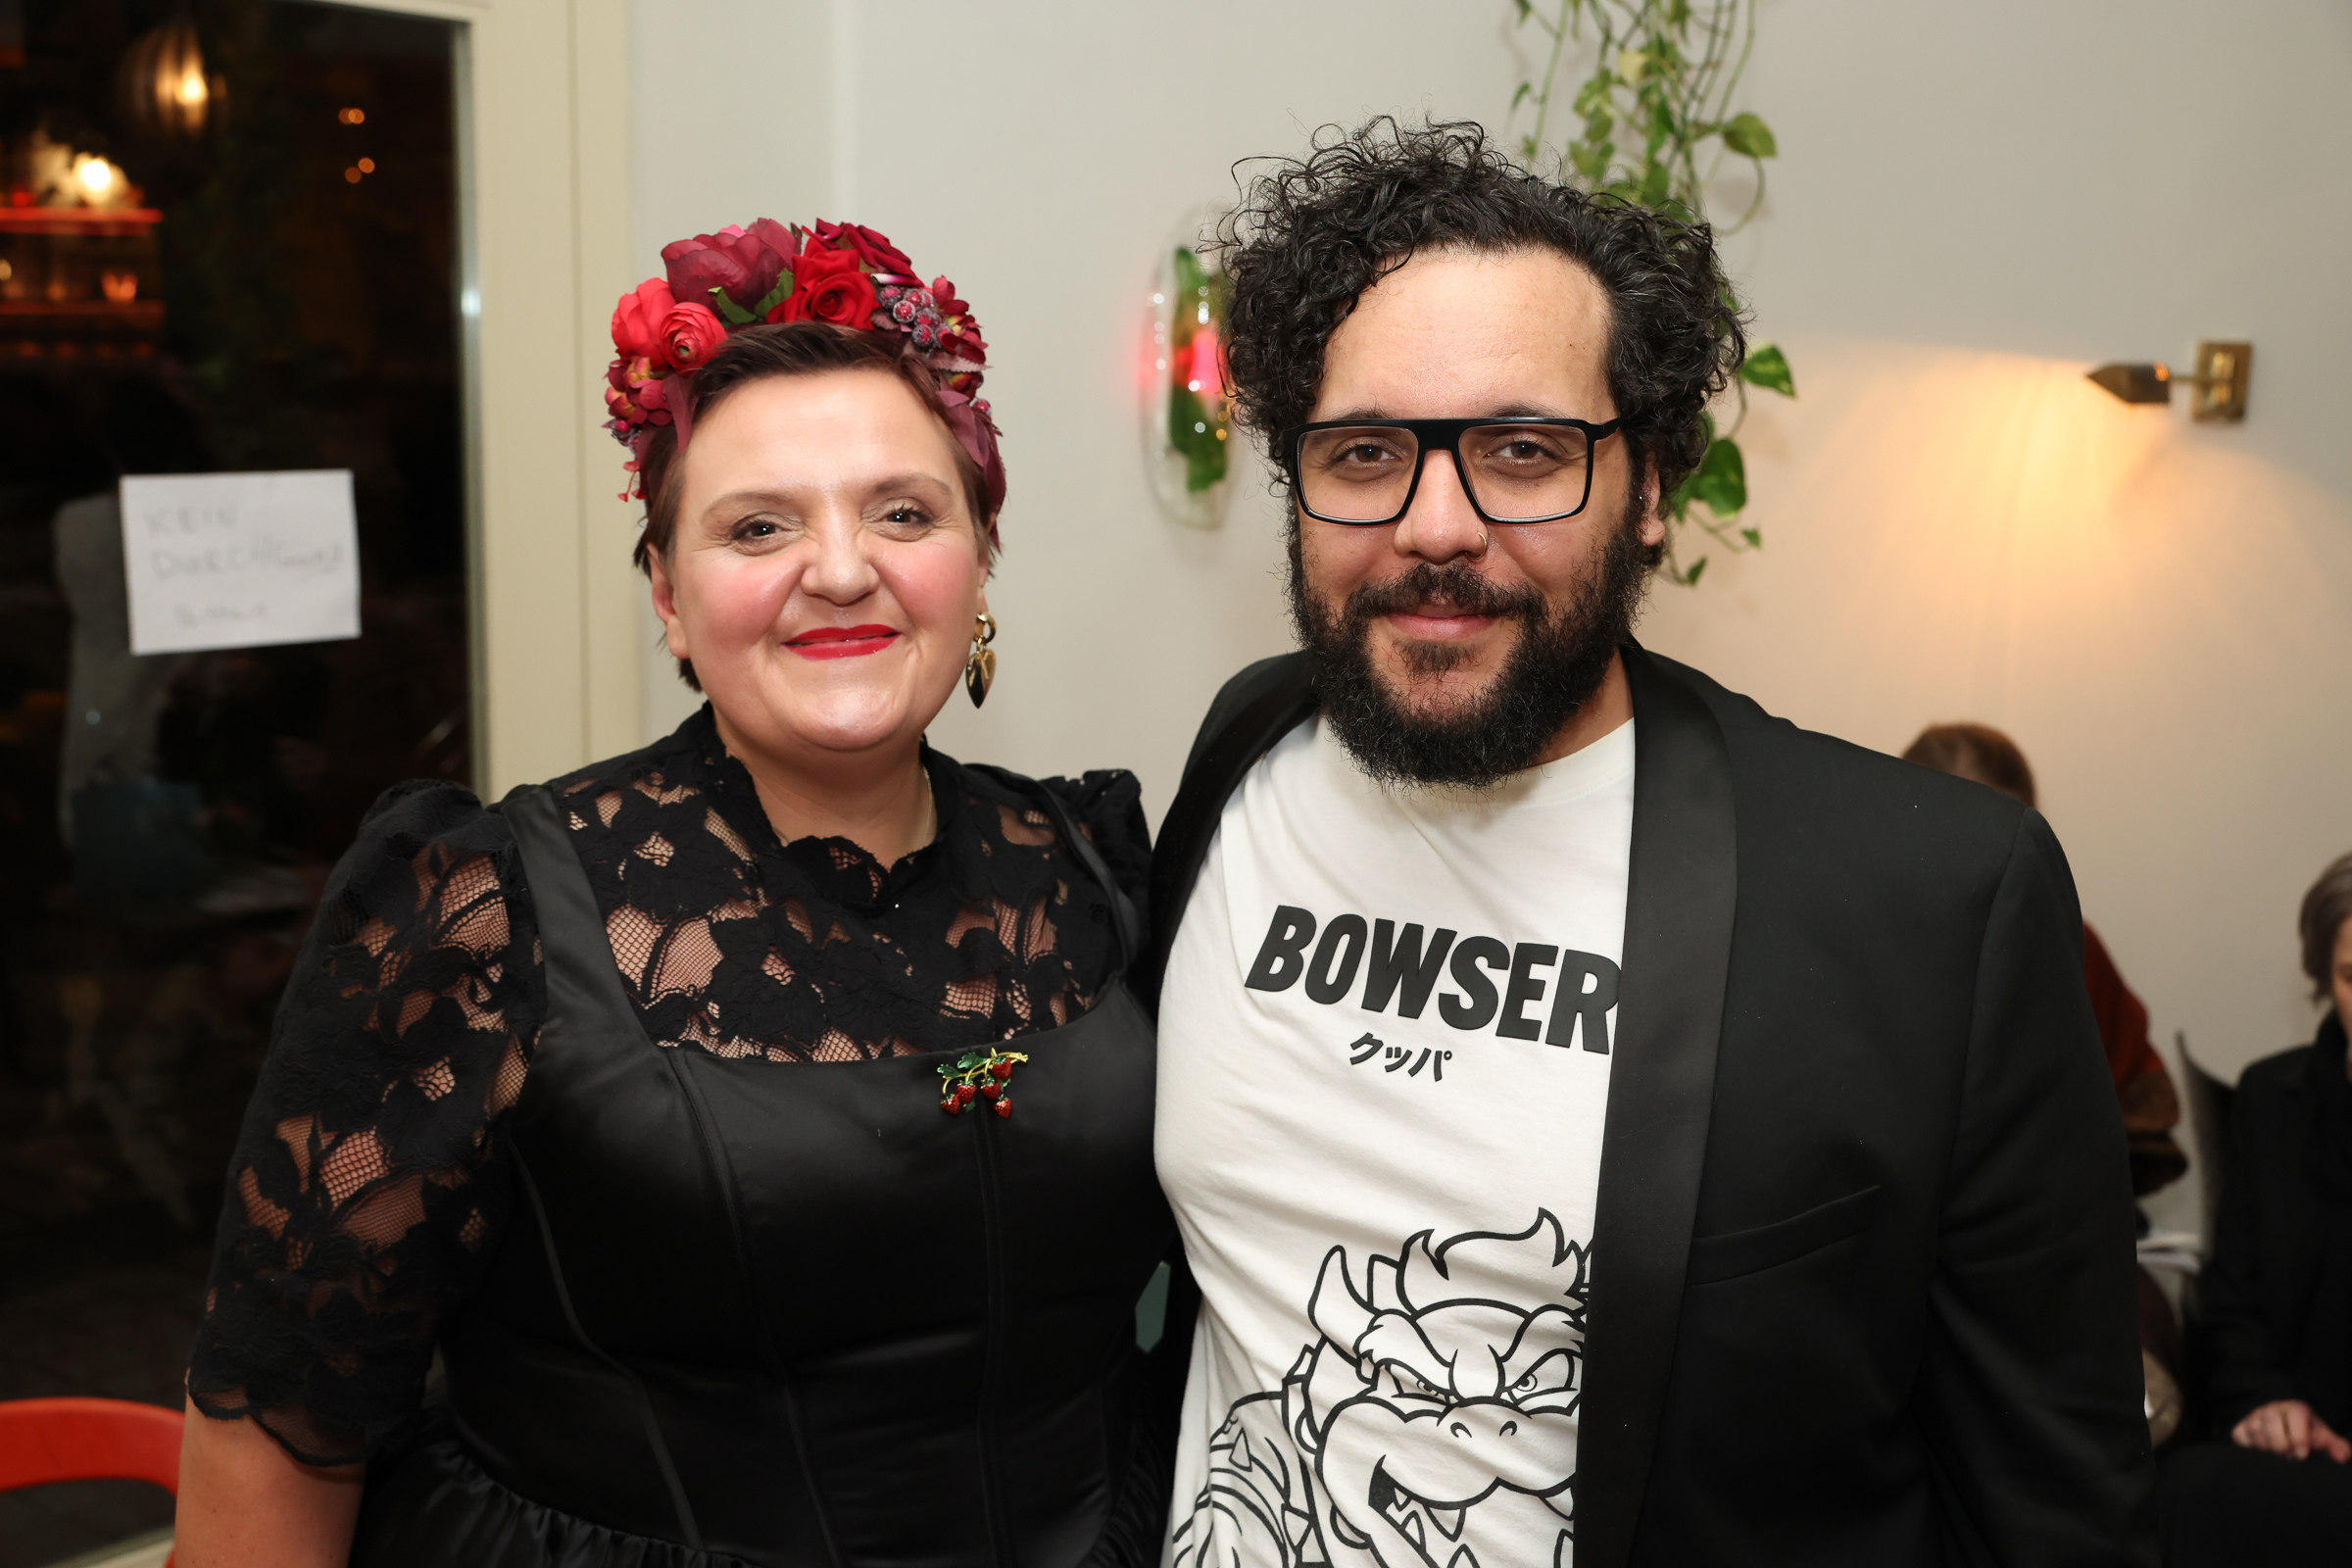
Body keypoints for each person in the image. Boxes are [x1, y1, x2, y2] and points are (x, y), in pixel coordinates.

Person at [1144, 120, 2153, 1567]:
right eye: (1365, 452)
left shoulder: (1931, 899)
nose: (1437, 526)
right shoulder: (1246, 751)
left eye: (1524, 451)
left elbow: (2054, 1500)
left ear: (1656, 489)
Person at [172, 219, 1177, 1567]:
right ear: (666, 593)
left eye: (904, 512)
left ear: (980, 557)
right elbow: (282, 1435)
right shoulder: (486, 911)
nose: (842, 569)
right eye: (758, 526)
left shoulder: (1091, 864)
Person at [2160, 853, 2352, 1563]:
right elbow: (2231, 1302)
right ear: (2325, 979)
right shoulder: (2273, 1100)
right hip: (2307, 1448)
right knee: (2183, 1495)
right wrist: (2267, 1404)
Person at [1902, 722, 2188, 1197]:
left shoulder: (2068, 942)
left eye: (2000, 840)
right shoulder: (1864, 951)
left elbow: (2135, 1114)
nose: (1977, 864)